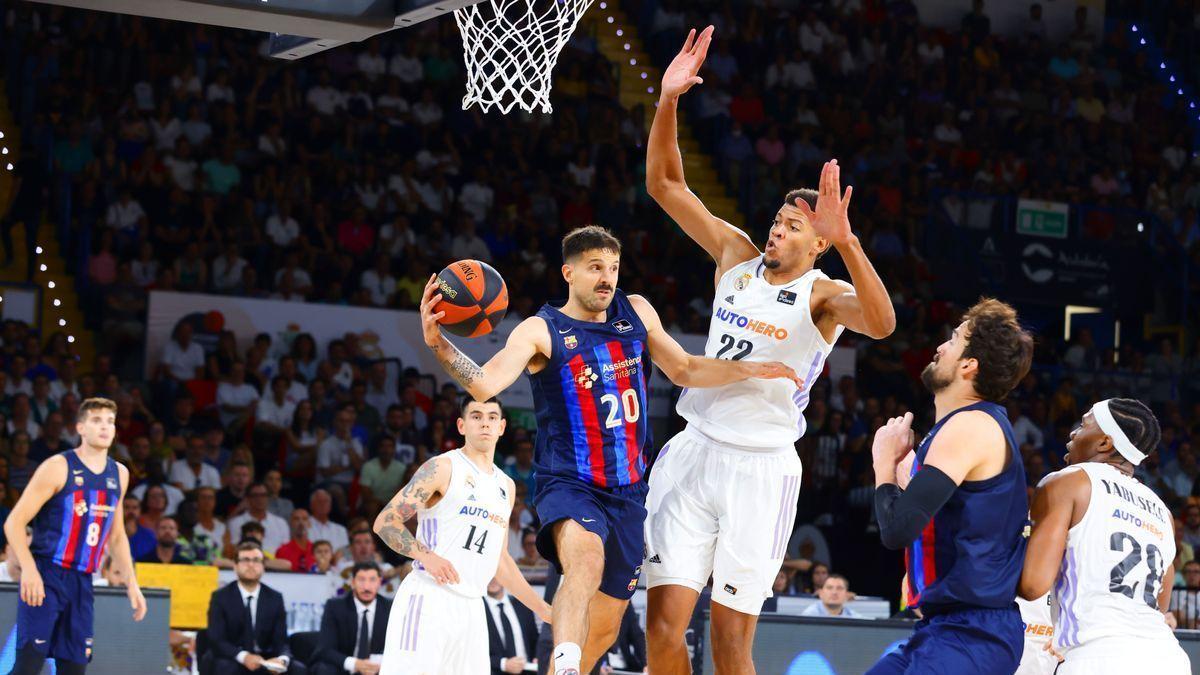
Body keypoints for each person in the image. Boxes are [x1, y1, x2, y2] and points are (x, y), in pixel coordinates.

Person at [417, 226, 799, 675]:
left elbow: (683, 367)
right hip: (571, 482)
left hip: (631, 491)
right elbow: (483, 383)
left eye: (613, 268)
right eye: (595, 268)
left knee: (607, 626)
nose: (607, 278)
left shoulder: (635, 311)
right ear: (569, 272)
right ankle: (563, 663)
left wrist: (749, 369)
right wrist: (439, 343)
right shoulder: (542, 329)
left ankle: (572, 664)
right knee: (586, 559)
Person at [644, 27, 895, 674]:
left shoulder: (823, 291)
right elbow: (666, 187)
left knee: (731, 643)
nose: (777, 230)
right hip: (694, 447)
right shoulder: (735, 255)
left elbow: (882, 323)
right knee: (664, 627)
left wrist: (848, 243)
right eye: (778, 221)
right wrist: (667, 101)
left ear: (816, 244)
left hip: (760, 468)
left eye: (793, 227)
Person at [868, 299, 1033, 674]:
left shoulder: (970, 426)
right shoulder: (956, 431)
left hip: (974, 632)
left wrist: (883, 463)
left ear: (968, 365)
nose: (940, 347)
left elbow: (896, 530)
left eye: (954, 339)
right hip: (945, 628)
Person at [372, 398, 552, 673]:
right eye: (476, 416)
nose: (485, 423)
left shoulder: (506, 485)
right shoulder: (442, 467)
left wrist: (541, 608)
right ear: (461, 424)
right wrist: (427, 556)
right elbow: (385, 521)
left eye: (492, 417)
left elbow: (500, 560)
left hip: (473, 606)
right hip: (429, 597)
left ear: (502, 427)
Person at [1018, 399, 1190, 673]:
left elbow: (1032, 585)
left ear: (1104, 443)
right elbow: (1161, 604)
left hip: (1097, 656)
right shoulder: (1163, 512)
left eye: (1084, 425)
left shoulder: (1067, 481)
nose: (1074, 433)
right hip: (1168, 658)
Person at [3, 397, 147, 674]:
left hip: (82, 581)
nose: (104, 427)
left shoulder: (119, 473)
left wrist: (132, 584)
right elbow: (14, 523)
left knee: (75, 668)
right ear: (81, 427)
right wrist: (30, 570)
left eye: (110, 421)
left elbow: (116, 536)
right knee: (28, 666)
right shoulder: (58, 466)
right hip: (47, 575)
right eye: (96, 420)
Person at [203, 540, 303, 674]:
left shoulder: (275, 598)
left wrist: (282, 660)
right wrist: (244, 657)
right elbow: (217, 639)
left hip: (265, 658)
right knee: (224, 667)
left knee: (298, 669)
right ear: (235, 566)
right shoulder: (220, 597)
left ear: (263, 566)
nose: (251, 565)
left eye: (256, 560)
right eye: (245, 560)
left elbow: (281, 641)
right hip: (233, 657)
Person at [314, 561, 392, 675]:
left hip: (377, 668)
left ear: (379, 582)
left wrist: (380, 664)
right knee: (324, 669)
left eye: (372, 580)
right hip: (344, 667)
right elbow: (325, 649)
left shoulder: (390, 607)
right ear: (352, 582)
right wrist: (355, 664)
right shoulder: (335, 606)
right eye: (361, 580)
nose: (366, 587)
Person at [484, 575, 539, 675]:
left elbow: (535, 639)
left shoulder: (523, 605)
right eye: (489, 574)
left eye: (497, 574)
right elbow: (471, 650)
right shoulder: (477, 611)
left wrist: (538, 656)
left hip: (529, 671)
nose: (492, 579)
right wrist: (503, 664)